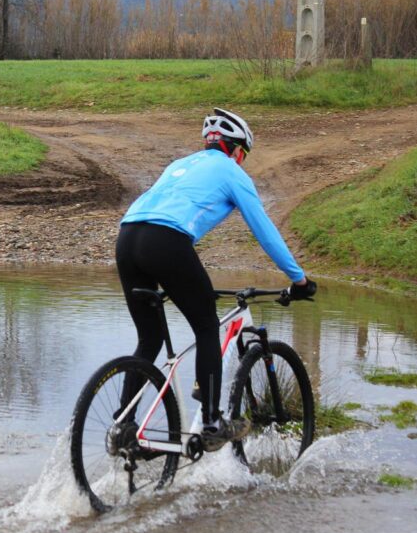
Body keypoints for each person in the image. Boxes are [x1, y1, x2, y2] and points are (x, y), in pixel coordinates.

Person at [116, 108, 317, 452]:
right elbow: (265, 232)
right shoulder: (230, 171)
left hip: (127, 237)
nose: (242, 161)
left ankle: (123, 424)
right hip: (165, 240)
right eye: (244, 155)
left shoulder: (180, 164)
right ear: (237, 149)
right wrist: (298, 279)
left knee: (148, 340)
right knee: (207, 326)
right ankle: (211, 422)